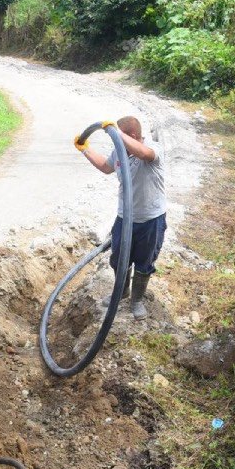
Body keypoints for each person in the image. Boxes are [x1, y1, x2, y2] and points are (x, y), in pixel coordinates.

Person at [75, 116, 167, 319]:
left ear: (132, 136)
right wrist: (85, 149)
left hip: (150, 219)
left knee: (145, 261)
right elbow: (106, 167)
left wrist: (118, 135)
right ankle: (122, 291)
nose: (116, 141)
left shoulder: (153, 149)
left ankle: (137, 300)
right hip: (124, 218)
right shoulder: (120, 150)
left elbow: (143, 152)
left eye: (120, 136)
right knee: (118, 258)